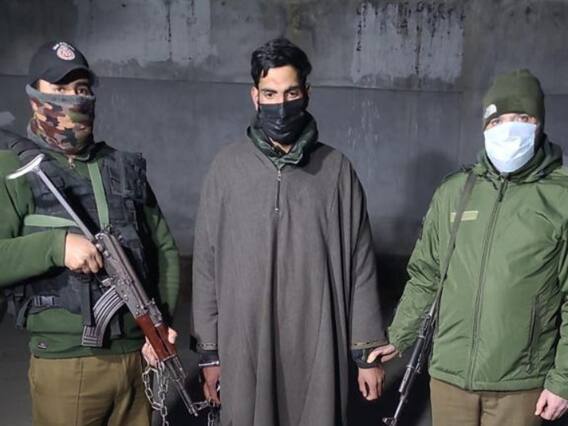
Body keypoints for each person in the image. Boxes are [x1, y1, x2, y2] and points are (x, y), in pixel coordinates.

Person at [191, 38, 387, 426]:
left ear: (306, 94)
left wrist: (367, 353)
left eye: (290, 93)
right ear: (254, 96)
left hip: (316, 342)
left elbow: (361, 264)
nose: (280, 105)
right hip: (244, 343)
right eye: (270, 93)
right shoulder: (226, 170)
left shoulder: (336, 171)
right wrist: (210, 352)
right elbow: (206, 264)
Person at [369, 69, 568, 425]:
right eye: (498, 120)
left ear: (539, 124)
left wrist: (562, 381)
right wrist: (399, 335)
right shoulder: (455, 191)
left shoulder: (560, 198)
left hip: (521, 383)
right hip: (450, 376)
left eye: (522, 118)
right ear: (485, 127)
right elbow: (427, 274)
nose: (509, 129)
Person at [0, 40, 180, 425]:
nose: (73, 100)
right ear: (34, 99)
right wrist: (56, 246)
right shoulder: (12, 169)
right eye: (60, 89)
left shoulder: (122, 167)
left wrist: (159, 321)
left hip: (137, 358)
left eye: (80, 89)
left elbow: (163, 248)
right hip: (65, 364)